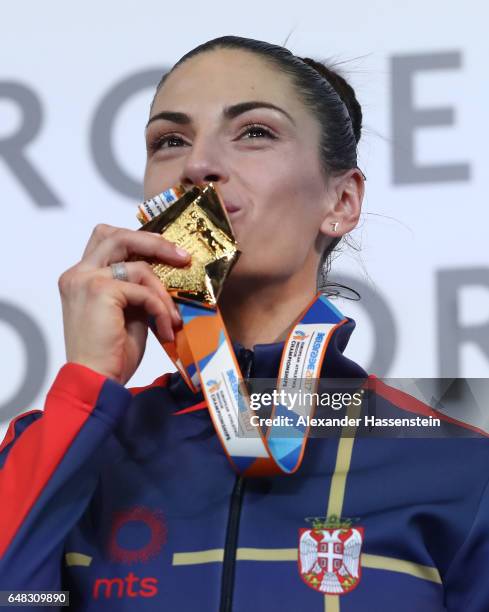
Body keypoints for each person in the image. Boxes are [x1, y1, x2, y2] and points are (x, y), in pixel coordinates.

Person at [0, 36, 488, 612]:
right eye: (170, 141)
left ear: (342, 201)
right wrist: (86, 385)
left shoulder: (458, 464)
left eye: (255, 132)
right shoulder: (61, 446)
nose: (198, 165)